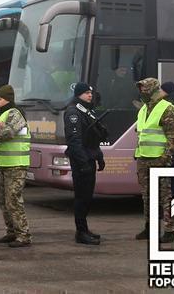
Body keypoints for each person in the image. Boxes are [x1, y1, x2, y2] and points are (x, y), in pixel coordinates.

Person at [0, 85, 32, 247]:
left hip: (16, 164)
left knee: (13, 200)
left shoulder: (15, 114)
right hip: (4, 164)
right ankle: (11, 231)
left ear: (8, 99)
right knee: (3, 201)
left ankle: (23, 235)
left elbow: (9, 133)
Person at [134, 78, 174, 243]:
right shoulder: (143, 110)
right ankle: (150, 228)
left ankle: (169, 230)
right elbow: (141, 134)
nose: (141, 93)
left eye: (144, 90)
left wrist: (165, 158)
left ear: (152, 90)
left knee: (164, 196)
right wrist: (137, 155)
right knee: (147, 196)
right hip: (143, 158)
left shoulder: (167, 108)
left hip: (159, 159)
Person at [63, 82, 107, 245]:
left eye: (91, 92)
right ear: (78, 94)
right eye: (86, 93)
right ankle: (80, 232)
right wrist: (83, 163)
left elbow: (92, 138)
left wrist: (99, 156)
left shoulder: (87, 110)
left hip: (89, 158)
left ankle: (84, 229)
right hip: (82, 161)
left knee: (87, 197)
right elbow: (74, 141)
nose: (90, 95)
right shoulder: (73, 112)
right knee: (82, 198)